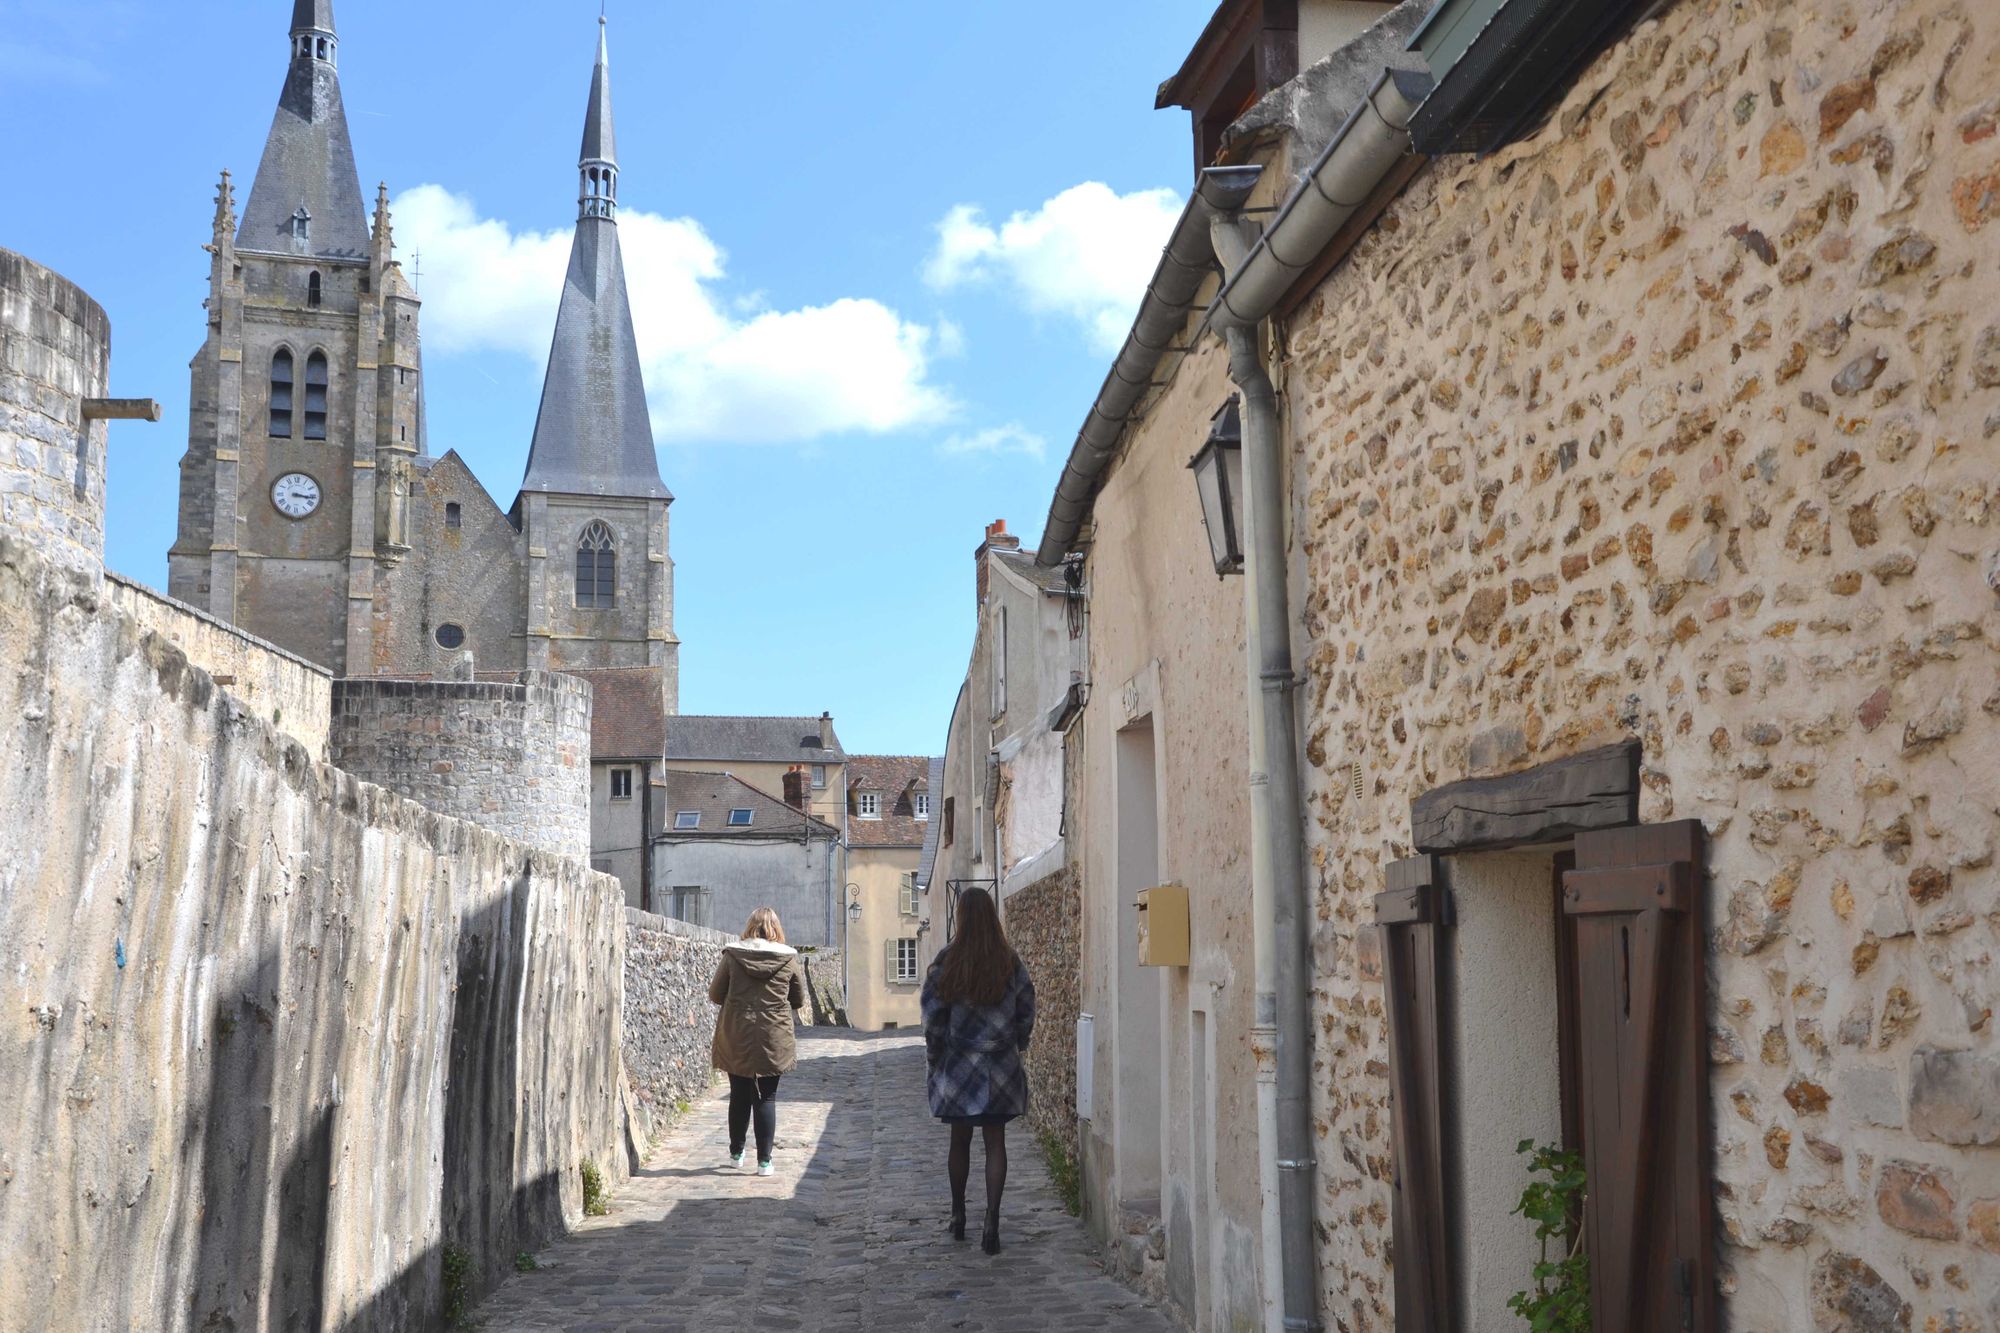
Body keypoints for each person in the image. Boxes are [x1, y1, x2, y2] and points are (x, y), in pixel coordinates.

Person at [921, 887, 1036, 1254]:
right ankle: (992, 1222)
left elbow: (933, 1018)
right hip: (999, 1066)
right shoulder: (1009, 962)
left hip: (959, 1067)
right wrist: (1018, 1042)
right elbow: (1026, 1008)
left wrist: (935, 1055)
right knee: (995, 1143)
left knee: (959, 1141)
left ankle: (958, 1217)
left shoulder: (947, 963)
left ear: (962, 918)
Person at [708, 907, 805, 1176]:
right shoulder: (788, 960)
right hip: (773, 1035)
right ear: (776, 928)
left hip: (737, 1031)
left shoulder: (732, 956)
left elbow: (716, 994)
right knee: (766, 1098)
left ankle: (736, 1153)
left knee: (739, 1095)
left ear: (750, 926)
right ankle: (764, 1161)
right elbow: (798, 999)